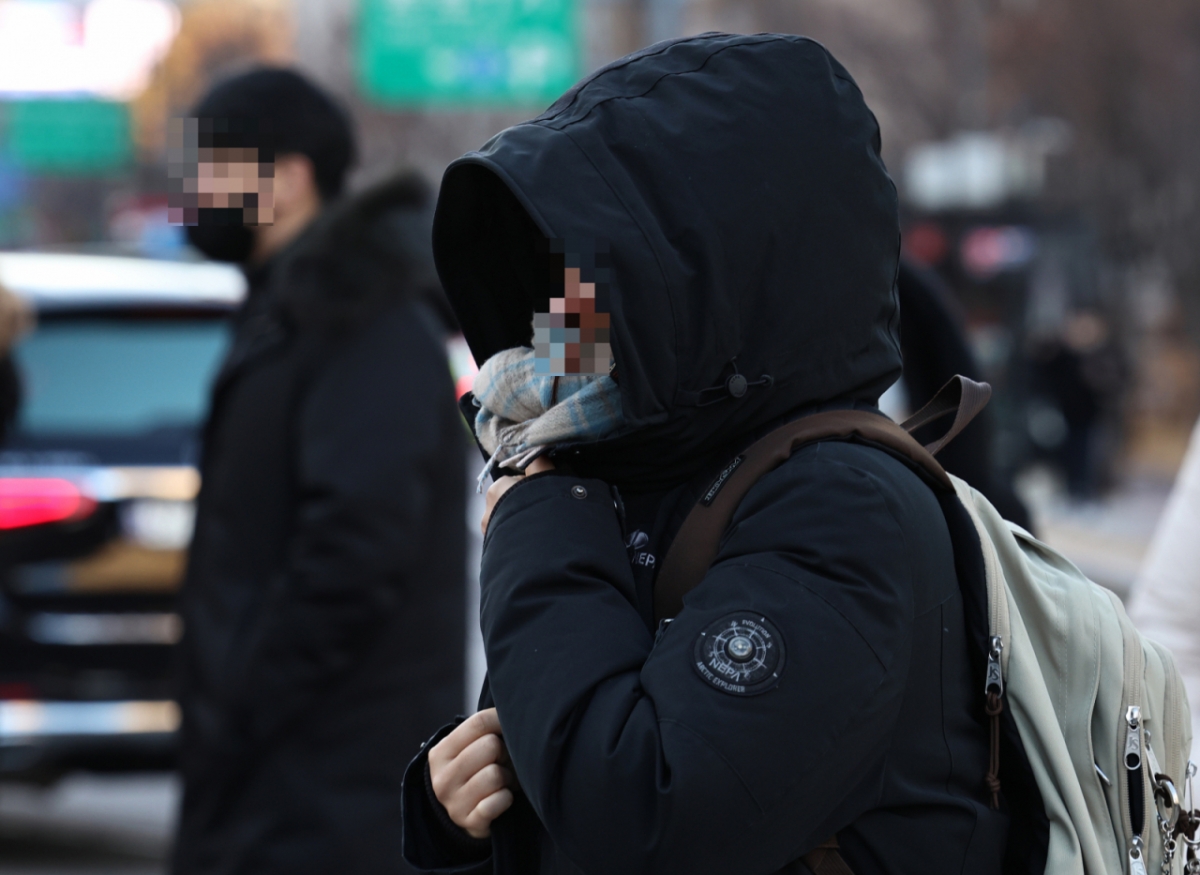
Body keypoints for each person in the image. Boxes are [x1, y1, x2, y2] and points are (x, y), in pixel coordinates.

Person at [402, 34, 1007, 875]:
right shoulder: (627, 473)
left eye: (590, 277)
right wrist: (452, 806)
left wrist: (537, 513)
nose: (556, 321)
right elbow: (561, 745)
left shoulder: (844, 507)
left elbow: (644, 817)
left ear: (704, 275)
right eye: (555, 284)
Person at [172, 68, 466, 875]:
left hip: (330, 786)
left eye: (209, 166)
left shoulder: (361, 318)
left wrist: (243, 699)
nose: (190, 190)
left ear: (290, 177)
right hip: (278, 777)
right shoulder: (291, 309)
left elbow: (357, 544)